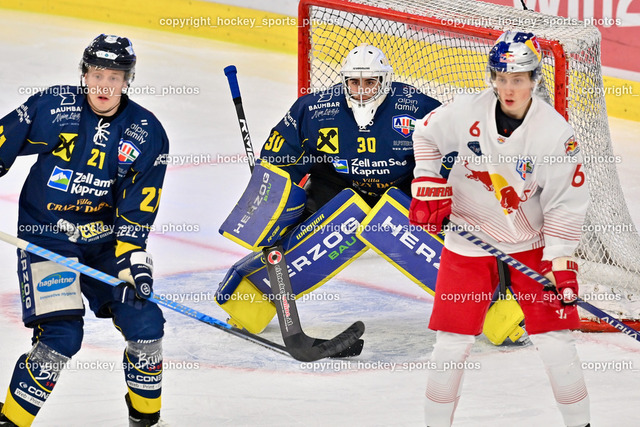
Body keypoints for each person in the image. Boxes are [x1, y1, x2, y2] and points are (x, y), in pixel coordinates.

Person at [410, 31, 590, 426]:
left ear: (534, 80)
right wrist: (426, 179)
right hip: (468, 238)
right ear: (492, 77)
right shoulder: (464, 110)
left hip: (531, 244)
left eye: (519, 79)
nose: (509, 89)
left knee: (555, 342)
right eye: (502, 78)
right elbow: (424, 135)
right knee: (451, 344)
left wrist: (560, 258)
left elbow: (565, 202)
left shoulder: (555, 134)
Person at [0, 34, 169, 427]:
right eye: (97, 74)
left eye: (115, 76)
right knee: (61, 336)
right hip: (48, 235)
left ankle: (144, 421)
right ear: (84, 75)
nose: (105, 85)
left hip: (107, 244)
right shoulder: (53, 107)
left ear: (128, 79)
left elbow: (137, 212)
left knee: (146, 327)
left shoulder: (146, 132)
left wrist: (132, 265)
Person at [216, 43, 442, 333]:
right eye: (354, 82)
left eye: (370, 82)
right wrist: (269, 202)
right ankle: (251, 297)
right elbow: (280, 156)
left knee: (432, 227)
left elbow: (451, 152)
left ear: (385, 81)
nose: (361, 90)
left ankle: (483, 299)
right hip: (336, 186)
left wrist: (443, 190)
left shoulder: (416, 107)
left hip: (402, 189)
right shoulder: (317, 110)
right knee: (305, 234)